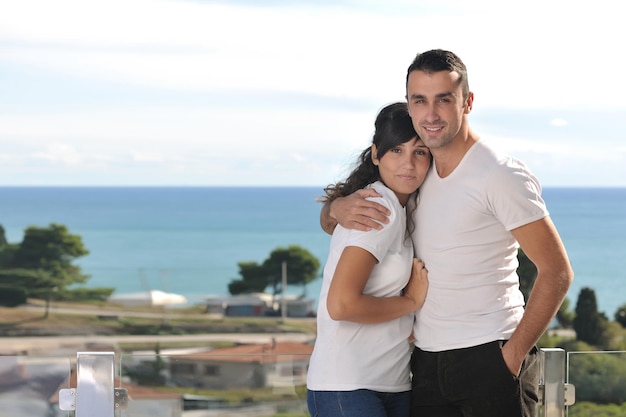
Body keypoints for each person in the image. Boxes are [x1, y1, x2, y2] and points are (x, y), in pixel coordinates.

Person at [319, 49, 574, 417]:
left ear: (467, 102)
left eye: (444, 99)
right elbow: (344, 223)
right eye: (419, 101)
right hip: (424, 366)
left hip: (490, 356)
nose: (431, 114)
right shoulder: (419, 172)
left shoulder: (499, 174)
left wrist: (512, 357)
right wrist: (335, 210)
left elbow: (557, 272)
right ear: (409, 106)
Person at [307, 102, 431, 417]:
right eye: (396, 152)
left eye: (419, 152)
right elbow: (342, 305)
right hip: (347, 387)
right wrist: (411, 302)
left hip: (391, 384)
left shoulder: (405, 207)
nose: (408, 165)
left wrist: (332, 208)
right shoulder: (379, 208)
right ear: (376, 155)